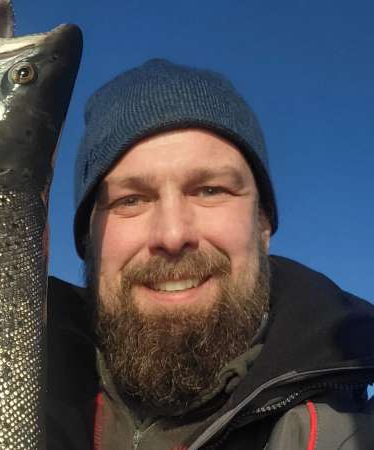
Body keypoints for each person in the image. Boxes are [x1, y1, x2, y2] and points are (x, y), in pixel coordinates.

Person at [47, 59, 374, 450]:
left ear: (263, 224)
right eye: (131, 199)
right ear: (88, 241)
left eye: (210, 190)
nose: (172, 234)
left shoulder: (349, 435)